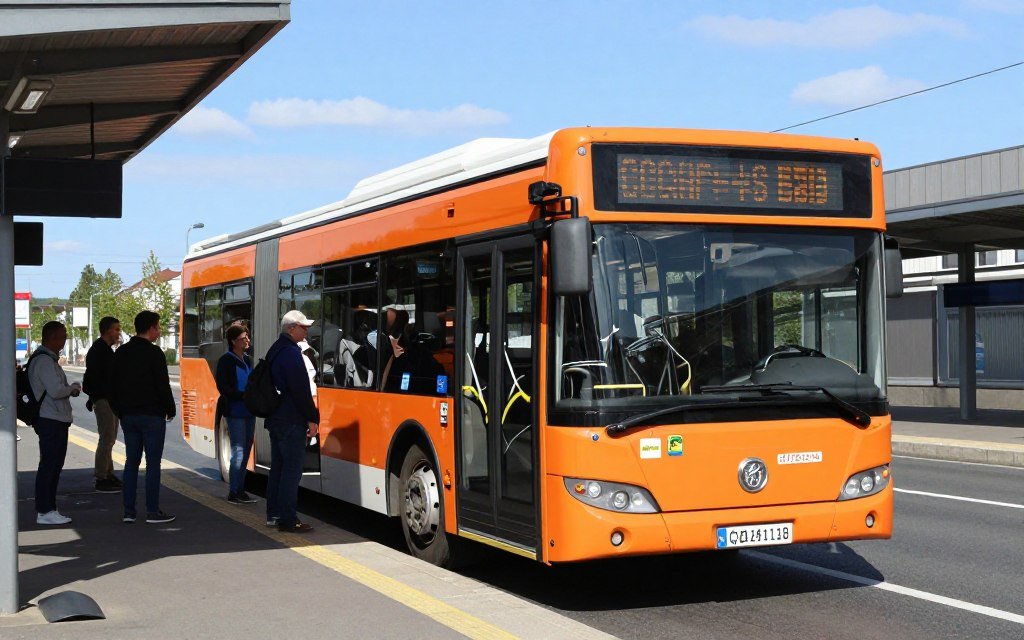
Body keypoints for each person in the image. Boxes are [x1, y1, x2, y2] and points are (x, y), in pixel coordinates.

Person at [110, 311, 176, 524]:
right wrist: (170, 408)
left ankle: (128, 512)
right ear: (151, 328)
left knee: (131, 462)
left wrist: (120, 410)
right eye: (158, 326)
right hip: (152, 415)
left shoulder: (121, 352)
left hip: (129, 415)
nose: (159, 330)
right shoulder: (155, 353)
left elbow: (113, 386)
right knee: (153, 464)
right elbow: (162, 385)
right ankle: (152, 511)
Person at [264, 309, 319, 533]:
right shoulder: (291, 353)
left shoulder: (275, 350)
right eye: (302, 326)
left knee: (277, 468)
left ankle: (274, 514)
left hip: (276, 419)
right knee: (291, 471)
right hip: (291, 421)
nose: (306, 330)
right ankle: (288, 519)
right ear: (291, 328)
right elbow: (301, 390)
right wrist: (312, 418)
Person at [28, 321, 81, 525]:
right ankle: (45, 510)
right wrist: (72, 388)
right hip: (50, 419)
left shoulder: (47, 359)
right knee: (50, 465)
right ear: (53, 338)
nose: (65, 339)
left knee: (52, 465)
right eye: (63, 335)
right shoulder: (44, 362)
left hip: (54, 418)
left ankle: (49, 508)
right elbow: (56, 391)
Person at [215, 324, 257, 504]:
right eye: (243, 338)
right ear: (233, 341)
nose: (247, 340)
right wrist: (241, 395)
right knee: (238, 450)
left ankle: (241, 489)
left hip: (249, 410)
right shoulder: (226, 360)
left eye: (247, 337)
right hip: (235, 410)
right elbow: (223, 387)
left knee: (246, 449)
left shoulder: (247, 359)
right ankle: (234, 491)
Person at [83, 316, 122, 493]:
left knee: (110, 439)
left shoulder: (103, 350)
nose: (118, 333)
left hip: (107, 399)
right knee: (107, 438)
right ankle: (101, 476)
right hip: (104, 400)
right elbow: (98, 379)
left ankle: (108, 472)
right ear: (107, 331)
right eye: (116, 329)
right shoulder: (100, 351)